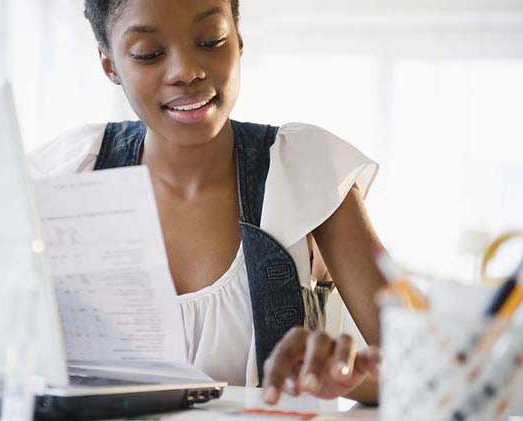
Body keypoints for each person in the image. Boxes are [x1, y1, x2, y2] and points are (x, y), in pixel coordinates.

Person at [30, 0, 383, 404]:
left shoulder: (306, 171)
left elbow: (429, 368)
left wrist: (342, 379)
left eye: (211, 41)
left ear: (238, 39)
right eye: (149, 54)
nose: (187, 72)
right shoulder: (70, 175)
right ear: (109, 64)